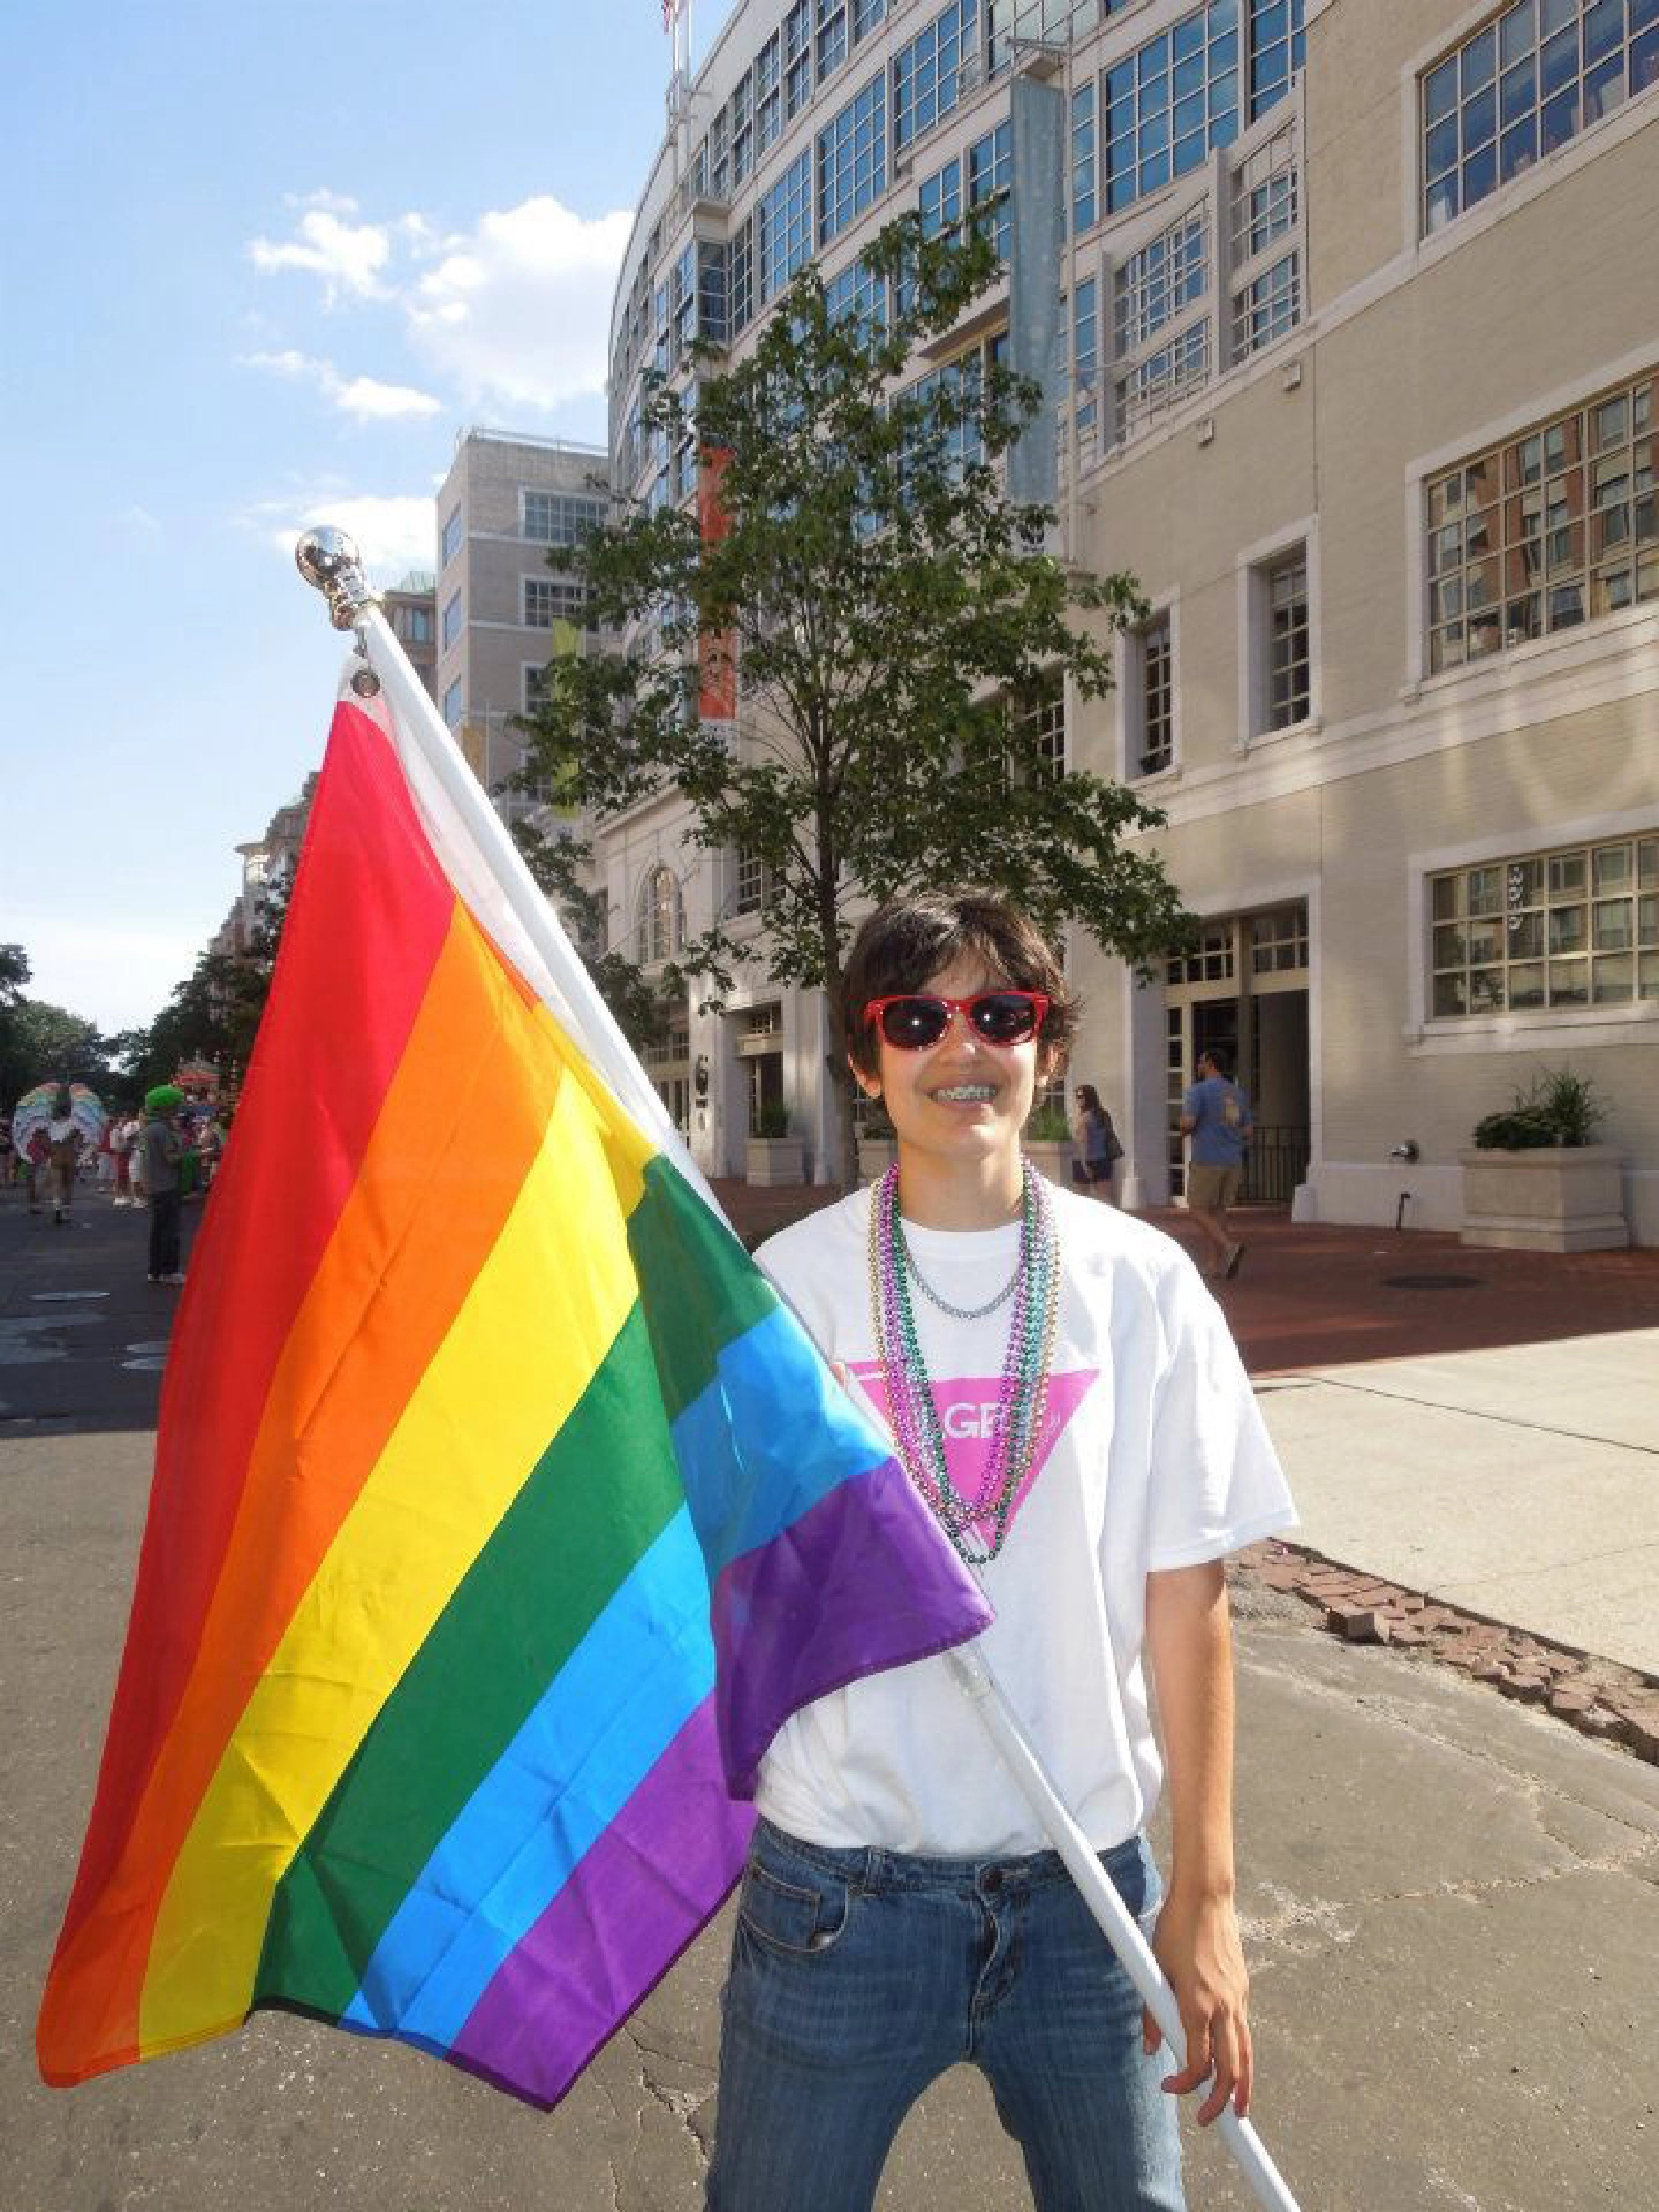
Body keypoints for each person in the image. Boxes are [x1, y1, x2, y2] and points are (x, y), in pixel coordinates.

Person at [707, 888, 1294, 2212]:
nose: (960, 1045)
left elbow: (1190, 1599)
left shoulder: (1142, 1282)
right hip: (838, 1893)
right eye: (915, 1017)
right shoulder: (784, 1289)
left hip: (1088, 1889)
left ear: (1046, 1044)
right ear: (864, 1061)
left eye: (1000, 1012)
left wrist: (1205, 1897)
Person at [1179, 1048, 1253, 1282]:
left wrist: (1181, 1127)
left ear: (1210, 1064)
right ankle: (1214, 1264)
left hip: (1207, 1158)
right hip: (1232, 1159)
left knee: (1197, 1209)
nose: (1198, 1065)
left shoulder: (1198, 1092)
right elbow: (1248, 1129)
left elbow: (1189, 1122)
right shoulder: (1236, 1093)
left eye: (1201, 1061)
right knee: (1218, 1211)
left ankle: (1229, 1247)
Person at [141, 1086, 187, 1285]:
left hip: (154, 1185)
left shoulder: (150, 1128)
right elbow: (172, 1158)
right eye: (175, 1105)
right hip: (166, 1184)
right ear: (165, 1107)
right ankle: (170, 1271)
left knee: (158, 1230)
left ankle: (155, 1270)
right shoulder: (162, 1129)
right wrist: (195, 1154)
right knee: (170, 1229)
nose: (178, 1108)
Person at [1070, 1081, 1123, 1202]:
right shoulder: (1103, 1114)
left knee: (1082, 1199)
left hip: (1084, 1160)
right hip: (1104, 1160)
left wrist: (1085, 1165)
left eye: (1080, 1096)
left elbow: (1084, 1142)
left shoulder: (1084, 1118)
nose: (1078, 1100)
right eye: (1077, 1097)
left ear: (1088, 1097)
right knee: (1105, 1197)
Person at [45, 1091, 82, 1226]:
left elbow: (45, 1139)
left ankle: (57, 1211)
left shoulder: (49, 1123)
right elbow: (77, 1136)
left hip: (55, 1154)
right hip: (69, 1154)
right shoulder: (73, 1123)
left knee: (56, 1185)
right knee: (68, 1185)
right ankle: (66, 1212)